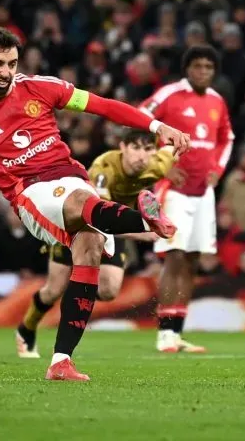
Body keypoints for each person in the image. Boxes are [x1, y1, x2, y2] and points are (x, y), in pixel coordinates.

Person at [0, 26, 190, 381]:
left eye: (12, 63)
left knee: (90, 247)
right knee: (80, 206)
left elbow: (102, 106)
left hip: (70, 175)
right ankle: (146, 221)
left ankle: (60, 361)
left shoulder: (41, 88)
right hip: (28, 192)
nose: (6, 72)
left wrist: (156, 126)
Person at [14, 129, 177, 358]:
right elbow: (100, 218)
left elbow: (173, 150)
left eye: (148, 149)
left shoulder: (157, 166)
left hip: (121, 228)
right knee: (53, 290)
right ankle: (26, 328)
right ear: (123, 147)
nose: (142, 156)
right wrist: (145, 229)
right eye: (136, 148)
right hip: (78, 223)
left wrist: (178, 143)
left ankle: (76, 292)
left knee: (109, 290)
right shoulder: (104, 168)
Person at [140, 45, 234, 353]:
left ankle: (177, 332)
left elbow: (227, 139)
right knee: (175, 253)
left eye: (209, 66)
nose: (203, 71)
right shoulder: (169, 94)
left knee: (193, 258)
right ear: (187, 68)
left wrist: (218, 170)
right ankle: (164, 333)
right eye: (198, 66)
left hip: (203, 191)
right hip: (173, 189)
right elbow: (139, 119)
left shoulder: (217, 101)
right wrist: (162, 163)